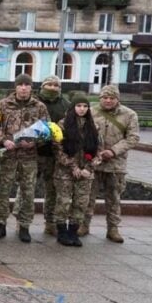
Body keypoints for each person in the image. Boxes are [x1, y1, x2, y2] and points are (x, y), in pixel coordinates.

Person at [0, 73, 49, 243]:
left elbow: (46, 130)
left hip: (29, 157)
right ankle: (0, 224)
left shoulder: (40, 107)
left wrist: (34, 143)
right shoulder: (3, 104)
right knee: (3, 191)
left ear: (31, 87)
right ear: (15, 87)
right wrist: (3, 140)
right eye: (20, 84)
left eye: (26, 85)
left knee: (28, 192)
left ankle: (24, 226)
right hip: (9, 156)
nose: (23, 88)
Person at [83, 85, 140, 243]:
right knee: (87, 196)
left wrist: (113, 151)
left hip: (116, 164)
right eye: (105, 98)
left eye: (112, 98)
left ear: (117, 99)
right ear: (100, 98)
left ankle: (113, 229)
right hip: (93, 163)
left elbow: (133, 138)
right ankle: (84, 225)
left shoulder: (129, 115)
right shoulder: (91, 112)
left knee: (114, 198)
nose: (108, 101)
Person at [52, 93, 97, 248]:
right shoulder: (63, 124)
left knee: (81, 203)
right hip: (65, 172)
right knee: (63, 201)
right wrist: (73, 166)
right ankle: (62, 231)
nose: (82, 109)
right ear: (72, 108)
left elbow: (99, 150)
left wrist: (88, 168)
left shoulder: (93, 126)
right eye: (79, 106)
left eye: (85, 106)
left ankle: (73, 231)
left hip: (85, 172)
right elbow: (58, 149)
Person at [34, 75, 70, 236]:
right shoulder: (33, 102)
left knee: (52, 190)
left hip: (54, 154)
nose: (53, 88)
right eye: (49, 84)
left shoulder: (66, 104)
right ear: (42, 86)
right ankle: (22, 221)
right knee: (26, 188)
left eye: (56, 85)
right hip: (33, 152)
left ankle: (50, 222)